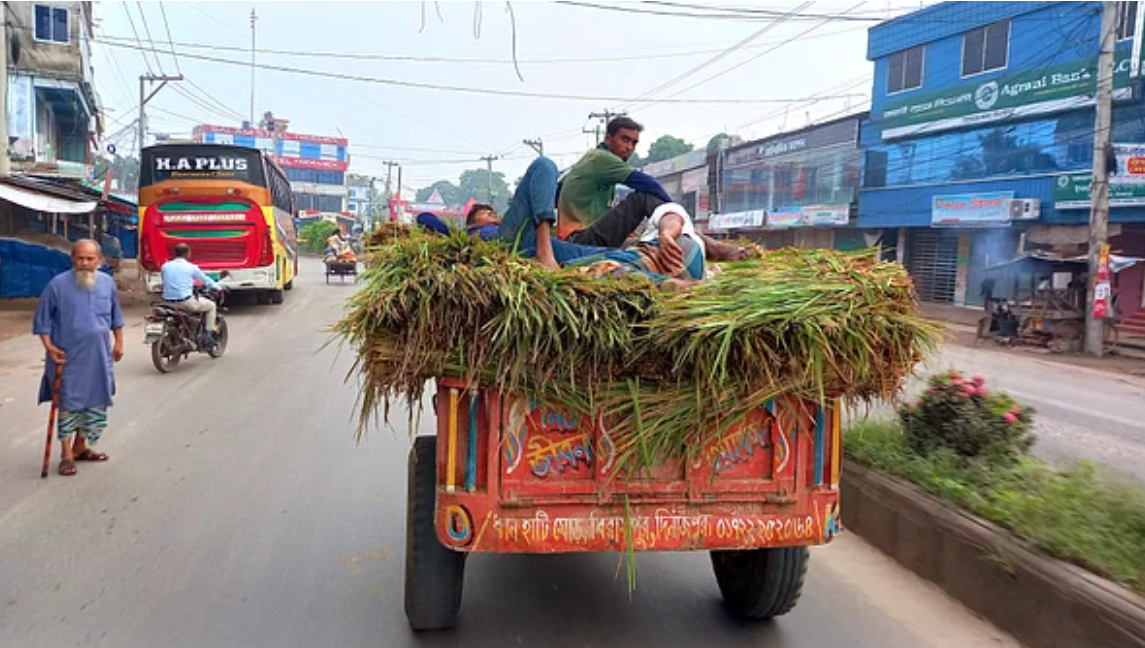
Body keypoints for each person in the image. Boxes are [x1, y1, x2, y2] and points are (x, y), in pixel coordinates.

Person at [558, 116, 748, 261]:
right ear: (608, 137)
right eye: (624, 140)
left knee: (650, 241)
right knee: (643, 197)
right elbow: (649, 184)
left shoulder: (594, 163)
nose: (629, 147)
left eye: (634, 142)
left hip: (583, 237)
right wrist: (675, 212)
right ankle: (712, 246)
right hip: (579, 240)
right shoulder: (601, 158)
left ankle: (699, 249)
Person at [499, 156, 694, 290]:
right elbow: (543, 168)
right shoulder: (492, 232)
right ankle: (666, 282)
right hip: (530, 245)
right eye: (487, 212)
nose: (492, 215)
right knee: (546, 164)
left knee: (609, 259)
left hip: (555, 250)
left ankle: (663, 281)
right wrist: (545, 250)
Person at [34, 239, 124, 476]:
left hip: (98, 356)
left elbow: (116, 316)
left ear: (100, 260)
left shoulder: (107, 283)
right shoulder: (56, 285)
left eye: (90, 258)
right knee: (68, 403)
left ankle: (81, 446)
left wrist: (119, 343)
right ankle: (66, 455)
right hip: (67, 357)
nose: (84, 263)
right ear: (72, 259)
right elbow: (42, 323)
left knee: (95, 400)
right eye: (80, 258)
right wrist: (50, 347)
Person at [161, 243, 222, 344]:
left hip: (167, 303)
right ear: (188, 254)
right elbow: (205, 280)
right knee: (211, 306)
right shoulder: (191, 267)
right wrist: (218, 288)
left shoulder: (165, 266)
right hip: (185, 302)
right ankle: (208, 335)